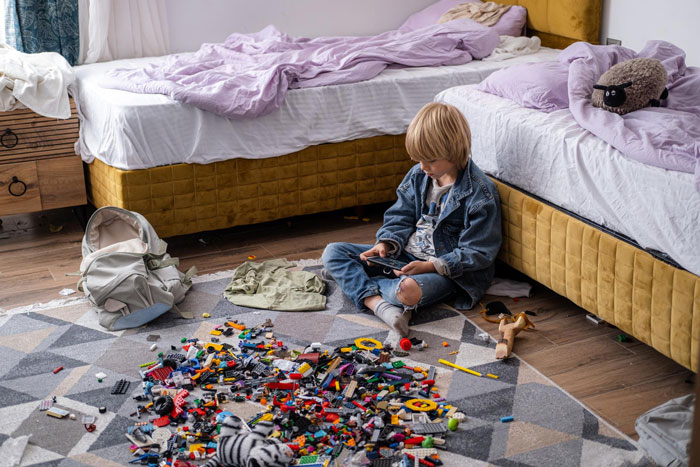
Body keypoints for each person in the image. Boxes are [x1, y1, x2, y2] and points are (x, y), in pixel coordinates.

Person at [321, 102, 502, 347]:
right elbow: (400, 215)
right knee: (333, 251)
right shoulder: (419, 175)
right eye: (419, 160)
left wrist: (430, 266)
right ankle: (380, 305)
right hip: (404, 256)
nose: (423, 167)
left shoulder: (480, 193)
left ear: (454, 151)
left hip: (444, 273)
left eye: (430, 160)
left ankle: (354, 280)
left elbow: (479, 252)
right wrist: (386, 243)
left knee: (407, 291)